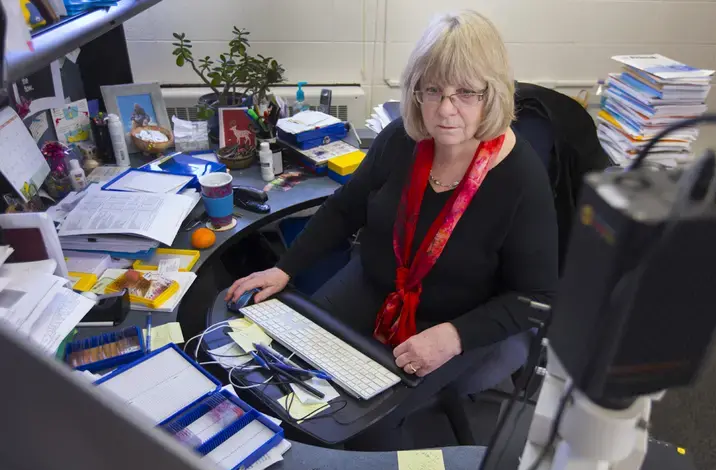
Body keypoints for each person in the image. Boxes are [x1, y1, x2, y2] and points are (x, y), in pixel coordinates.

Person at [226, 10, 557, 396]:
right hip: (372, 283)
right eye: (432, 90)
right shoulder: (403, 139)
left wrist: (455, 336)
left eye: (466, 92)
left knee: (365, 422)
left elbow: (537, 298)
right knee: (292, 369)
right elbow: (345, 207)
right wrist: (284, 269)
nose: (446, 109)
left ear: (492, 93)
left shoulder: (520, 177)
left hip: (453, 321)